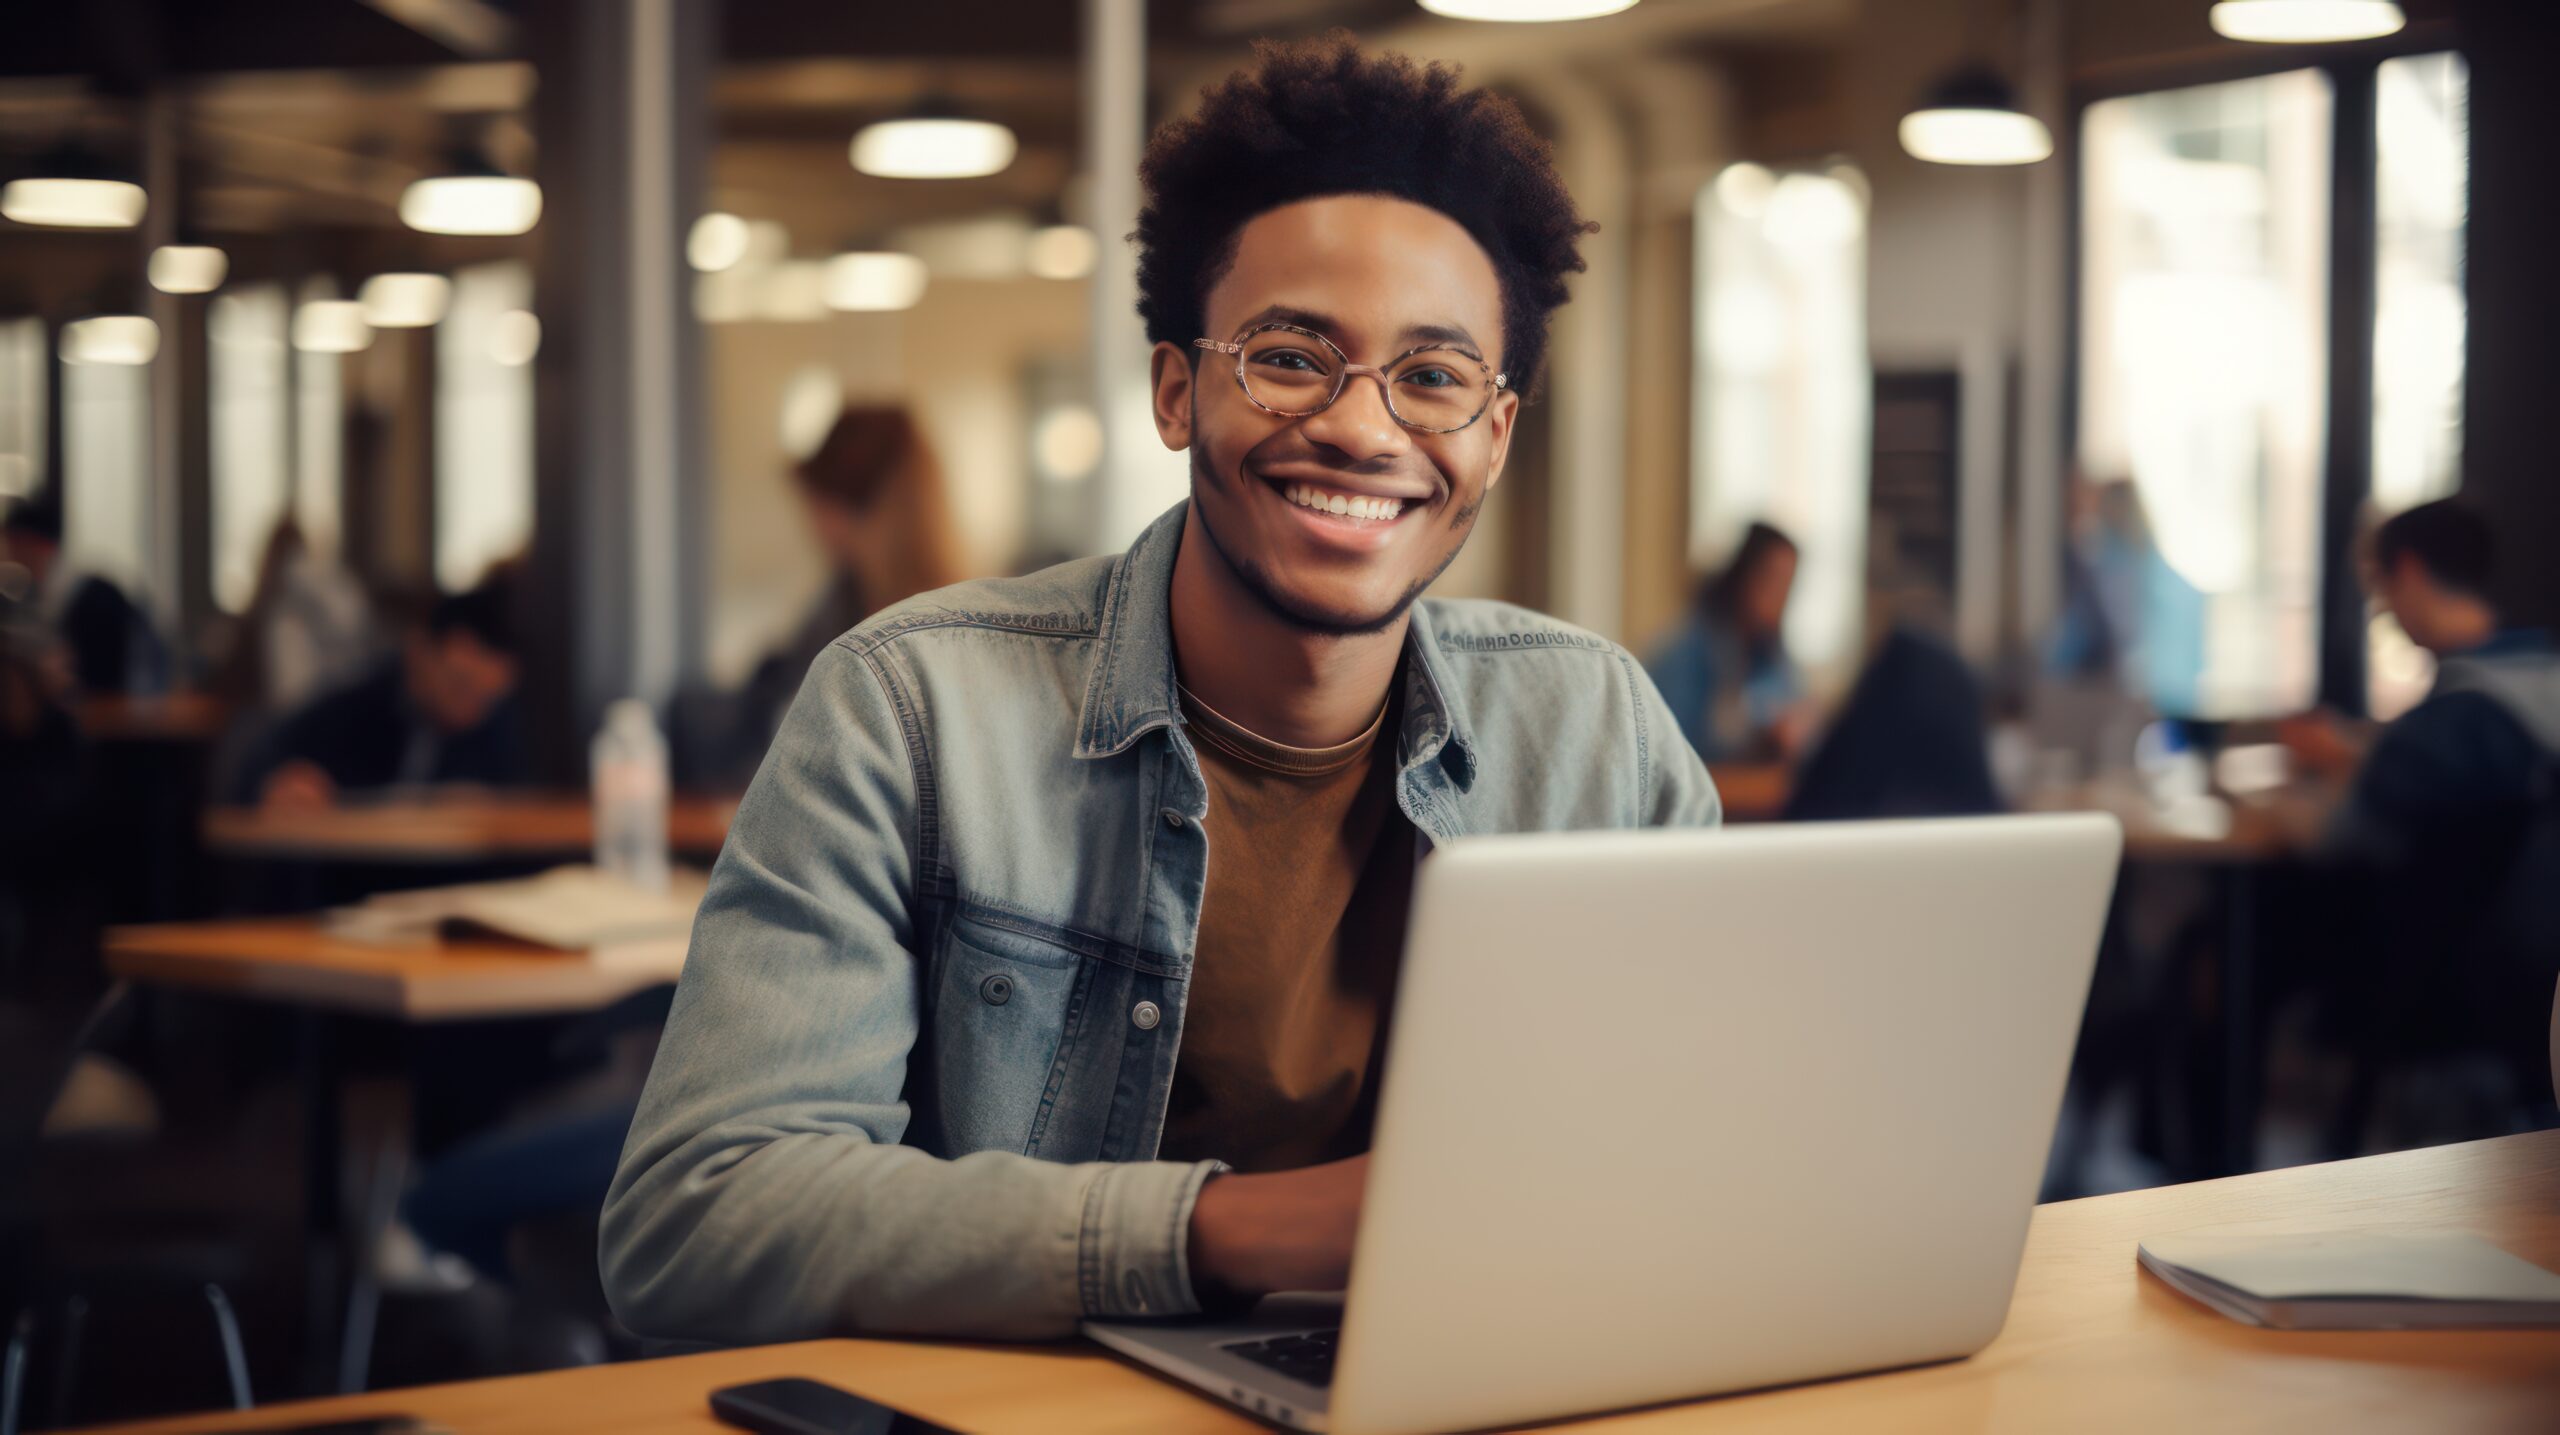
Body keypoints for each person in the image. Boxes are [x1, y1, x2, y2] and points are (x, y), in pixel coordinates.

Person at [601, 35, 1718, 1346]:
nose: (1365, 427)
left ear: (1496, 435)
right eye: (1293, 355)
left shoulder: (1597, 733)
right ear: (1177, 390)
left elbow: (1711, 1152)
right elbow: (695, 1215)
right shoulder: (908, 709)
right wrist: (1230, 1228)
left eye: (1432, 377)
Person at [736, 405, 964, 764]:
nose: (811, 528)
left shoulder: (918, 634)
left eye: (816, 506)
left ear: (842, 511)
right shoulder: (846, 598)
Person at [236, 572, 527, 808]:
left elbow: (520, 796)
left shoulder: (494, 726)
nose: (470, 707)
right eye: (459, 684)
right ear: (418, 650)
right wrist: (280, 782)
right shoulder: (357, 707)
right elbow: (260, 762)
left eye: (487, 697)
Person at [1644, 521, 1810, 763]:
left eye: (1788, 585)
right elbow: (1676, 748)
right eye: (1773, 580)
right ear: (1744, 574)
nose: (1781, 597)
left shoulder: (1772, 652)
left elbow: (1794, 713)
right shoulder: (1687, 651)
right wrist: (1759, 735)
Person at [0, 491, 166, 697]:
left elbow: (104, 677)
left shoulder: (92, 597)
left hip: (116, 713)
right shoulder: (52, 592)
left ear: (39, 545)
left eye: (16, 544)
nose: (9, 554)